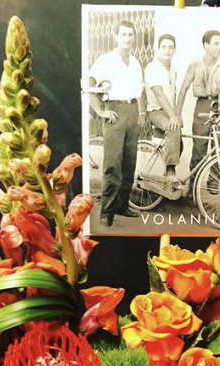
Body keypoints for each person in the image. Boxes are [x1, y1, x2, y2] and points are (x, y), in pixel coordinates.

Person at [88, 20, 146, 227]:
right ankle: (107, 211)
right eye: (123, 34)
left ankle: (122, 205)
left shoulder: (136, 63)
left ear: (134, 37)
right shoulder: (106, 60)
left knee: (129, 163)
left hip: (132, 111)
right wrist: (100, 111)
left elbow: (140, 92)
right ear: (115, 36)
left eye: (130, 34)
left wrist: (141, 113)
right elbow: (89, 85)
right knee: (113, 164)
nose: (127, 38)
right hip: (115, 111)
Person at [176, 29, 220, 173]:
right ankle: (193, 184)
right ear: (206, 45)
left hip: (219, 106)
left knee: (218, 151)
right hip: (201, 107)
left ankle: (214, 185)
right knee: (198, 150)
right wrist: (177, 114)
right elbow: (183, 90)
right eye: (216, 44)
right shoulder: (194, 65)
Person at [144, 33, 182, 178]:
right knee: (173, 128)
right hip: (155, 111)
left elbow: (173, 94)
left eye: (171, 47)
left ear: (175, 50)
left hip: (168, 111)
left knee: (179, 144)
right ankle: (171, 172)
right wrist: (173, 117)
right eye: (164, 47)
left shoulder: (173, 68)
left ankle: (166, 178)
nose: (167, 50)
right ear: (158, 48)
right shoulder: (152, 68)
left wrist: (177, 114)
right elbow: (159, 94)